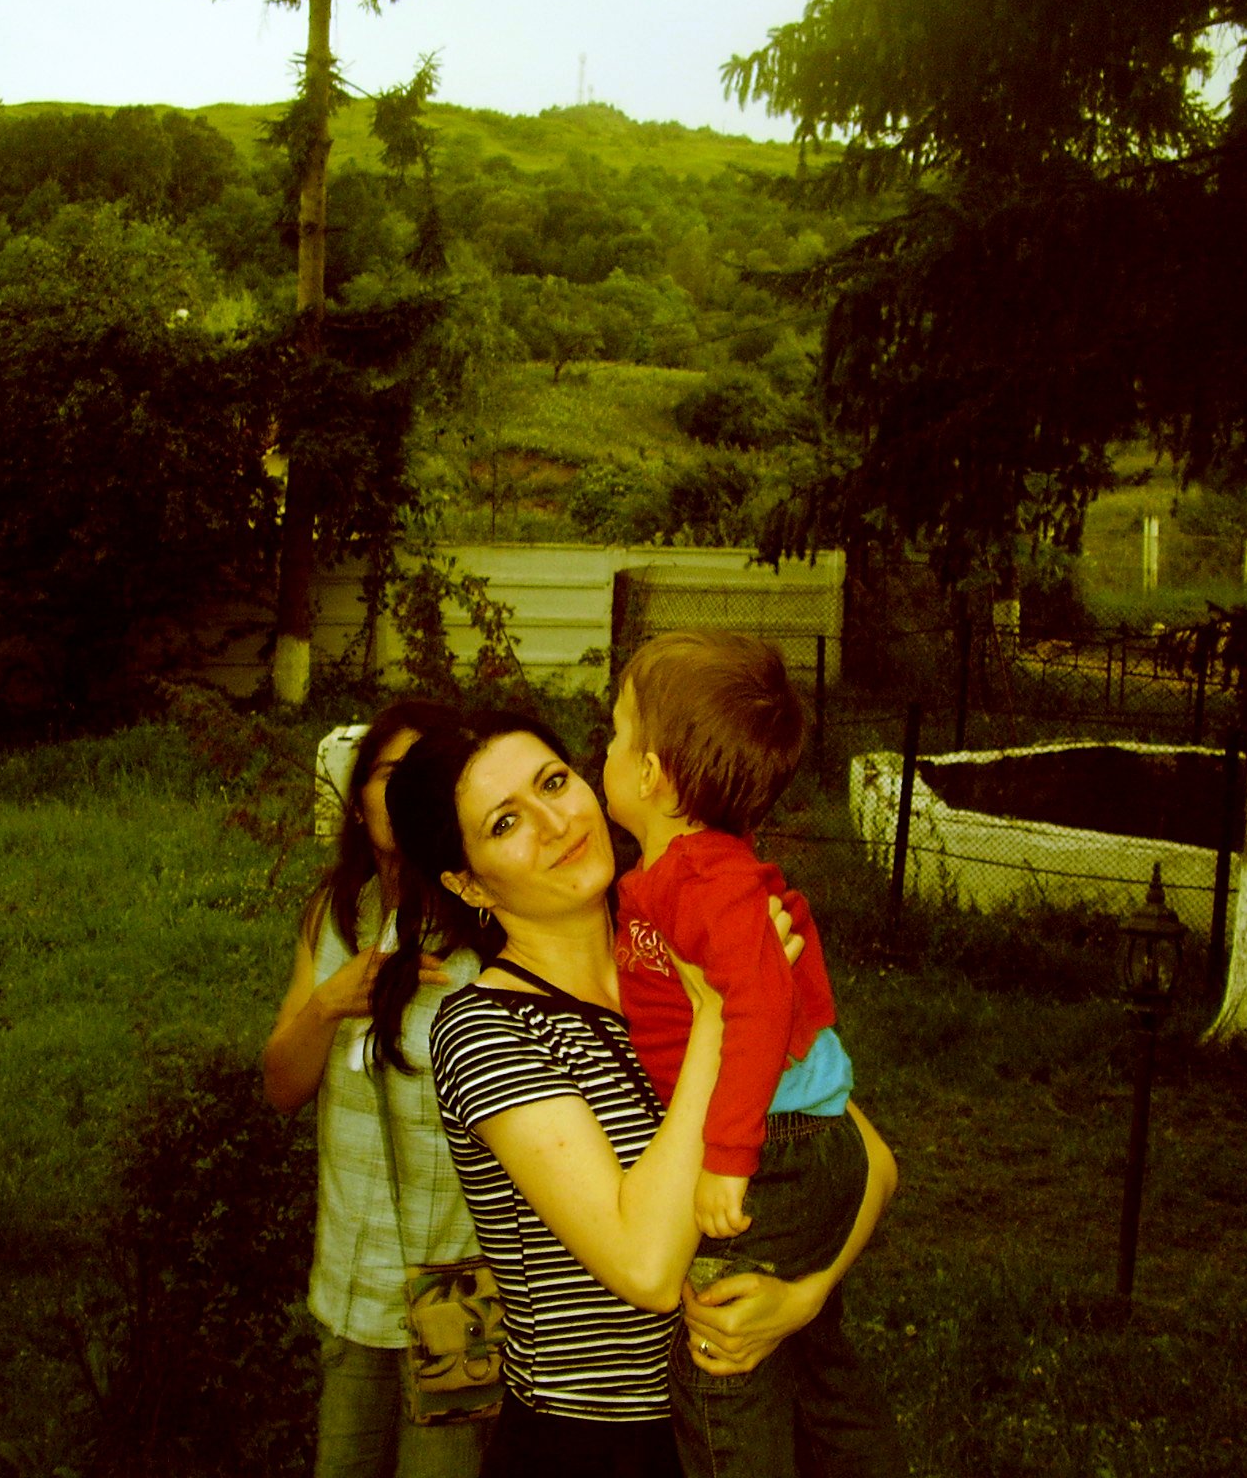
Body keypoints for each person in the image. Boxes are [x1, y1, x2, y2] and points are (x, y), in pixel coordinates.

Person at [374, 708, 896, 1478]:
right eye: (505, 822)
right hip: (598, 1445)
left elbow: (871, 1160)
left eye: (555, 782)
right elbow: (646, 1268)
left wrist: (804, 1298)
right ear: (468, 881)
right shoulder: (486, 1029)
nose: (556, 822)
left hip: (752, 1410)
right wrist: (719, 1018)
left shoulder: (677, 939)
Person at [604, 629, 893, 1477]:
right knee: (810, 1356)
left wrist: (729, 1159)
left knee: (718, 1364)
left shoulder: (708, 880)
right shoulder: (677, 874)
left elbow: (761, 1002)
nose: (604, 750)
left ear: (650, 773)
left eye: (615, 732)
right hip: (793, 1134)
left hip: (777, 1143)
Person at [263, 701, 491, 1478]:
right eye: (391, 772)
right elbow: (281, 1088)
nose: (405, 791)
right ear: (359, 800)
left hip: (458, 1289)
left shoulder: (486, 928)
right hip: (351, 1279)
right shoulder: (334, 915)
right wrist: (329, 1002)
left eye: (427, 774)